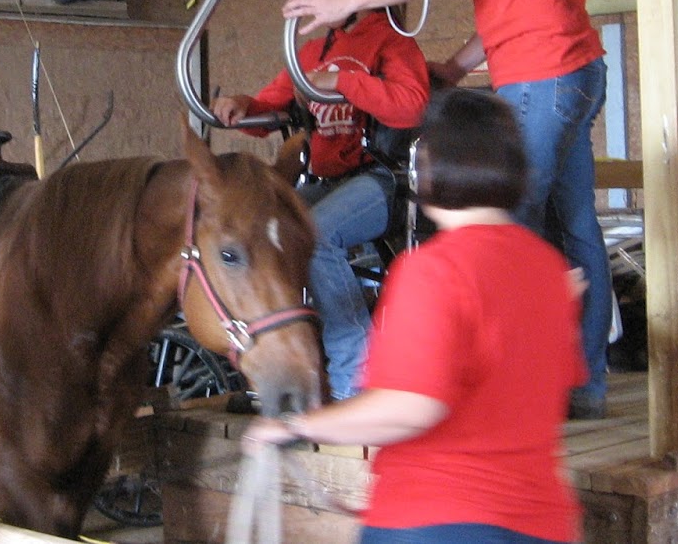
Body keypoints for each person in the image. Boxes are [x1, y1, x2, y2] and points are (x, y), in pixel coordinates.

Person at [282, 0, 612, 419]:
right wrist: (459, 66)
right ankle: (583, 385)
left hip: (541, 79)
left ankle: (519, 388)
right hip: (574, 70)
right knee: (575, 228)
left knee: (507, 227)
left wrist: (345, 0)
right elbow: (528, 4)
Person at [245, 87, 585, 544]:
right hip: (542, 522)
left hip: (435, 519)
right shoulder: (549, 269)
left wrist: (295, 425)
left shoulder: (433, 269)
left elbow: (410, 406)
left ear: (431, 167)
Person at [213, 0, 429, 401]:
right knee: (258, 228)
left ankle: (356, 376)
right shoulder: (313, 49)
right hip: (327, 179)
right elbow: (274, 103)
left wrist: (344, 82)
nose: (312, 4)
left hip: (381, 179)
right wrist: (243, 106)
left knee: (317, 233)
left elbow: (411, 105)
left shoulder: (392, 42)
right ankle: (283, 358)